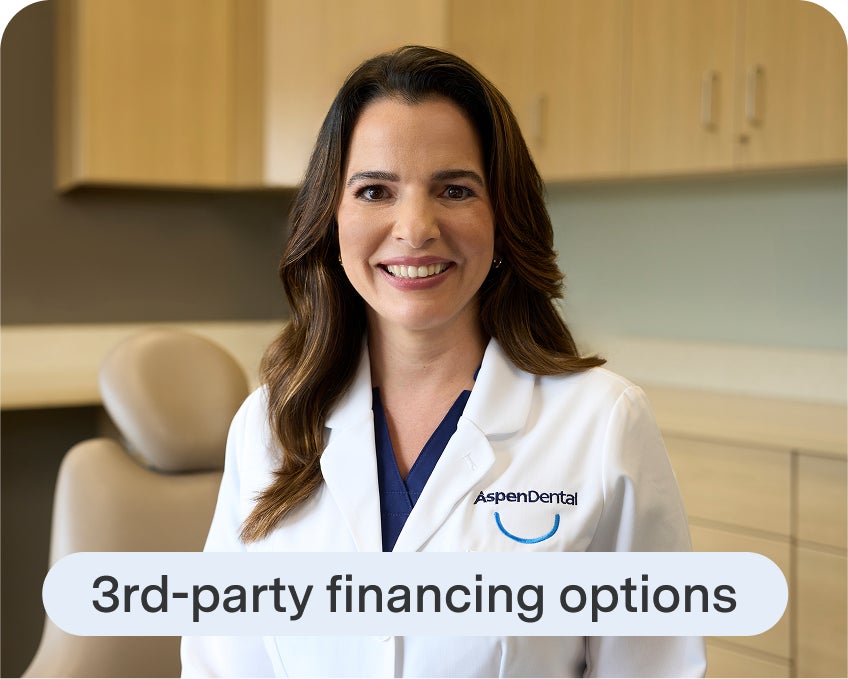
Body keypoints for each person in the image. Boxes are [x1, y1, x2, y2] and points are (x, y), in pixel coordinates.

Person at [181, 45, 706, 677]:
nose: (415, 227)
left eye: (454, 190)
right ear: (332, 217)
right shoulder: (270, 424)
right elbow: (223, 664)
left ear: (503, 217)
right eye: (375, 190)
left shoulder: (601, 423)